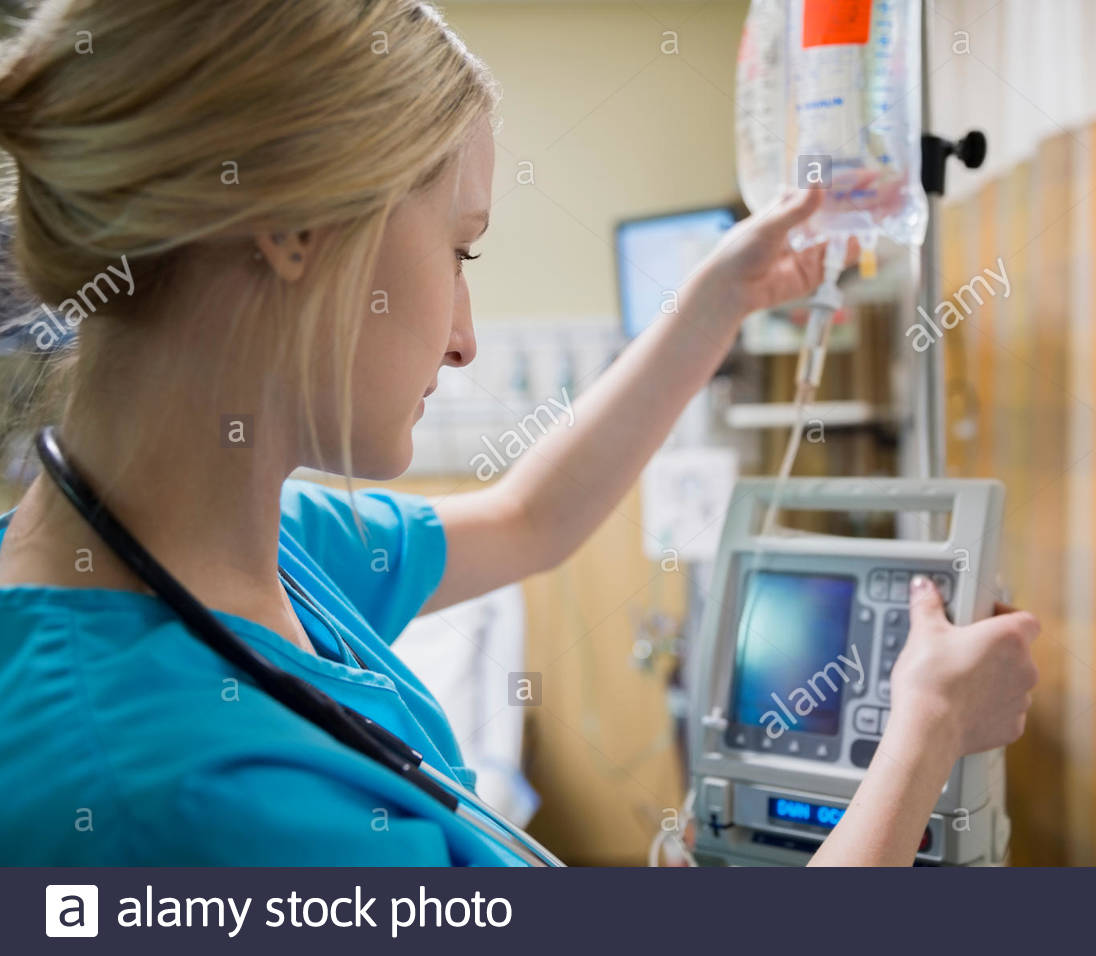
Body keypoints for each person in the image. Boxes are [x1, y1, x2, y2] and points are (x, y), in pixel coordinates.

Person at [0, 0, 1038, 866]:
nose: (462, 341)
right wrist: (926, 732)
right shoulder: (186, 800)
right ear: (292, 227)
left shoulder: (247, 544)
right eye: (462, 251)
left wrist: (719, 296)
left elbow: (529, 514)